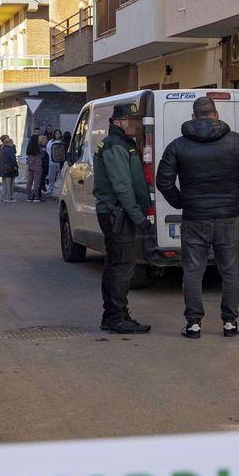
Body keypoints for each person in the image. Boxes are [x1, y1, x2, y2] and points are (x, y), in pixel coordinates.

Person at [156, 96, 239, 339]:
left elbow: (162, 181)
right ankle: (229, 323)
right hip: (227, 217)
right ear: (216, 114)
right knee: (230, 271)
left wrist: (180, 201)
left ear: (193, 117)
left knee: (193, 271)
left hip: (194, 218)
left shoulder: (177, 146)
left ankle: (193, 324)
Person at [93, 104, 154, 334]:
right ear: (118, 122)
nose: (135, 125)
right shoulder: (115, 146)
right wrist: (139, 218)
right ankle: (117, 317)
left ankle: (112, 316)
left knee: (115, 265)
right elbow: (122, 187)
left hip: (114, 212)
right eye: (131, 120)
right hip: (118, 213)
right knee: (122, 266)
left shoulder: (119, 144)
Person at [24, 131, 46, 202]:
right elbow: (42, 155)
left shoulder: (29, 147)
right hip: (37, 165)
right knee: (37, 182)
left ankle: (29, 196)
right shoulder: (38, 148)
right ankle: (36, 196)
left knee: (29, 181)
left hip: (30, 165)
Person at [0, 135, 19, 202]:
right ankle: (9, 197)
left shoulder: (1, 148)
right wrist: (16, 166)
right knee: (10, 184)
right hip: (10, 168)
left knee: (4, 184)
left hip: (3, 168)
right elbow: (13, 159)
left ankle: (3, 197)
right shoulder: (10, 149)